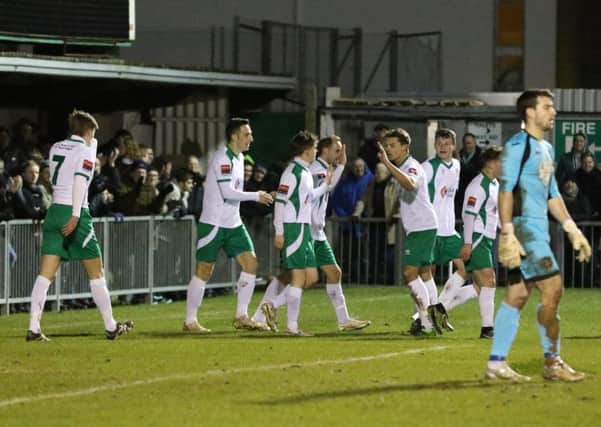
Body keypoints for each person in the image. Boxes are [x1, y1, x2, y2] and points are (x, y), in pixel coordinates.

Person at [485, 89, 591, 382]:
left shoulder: (544, 148)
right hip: (525, 230)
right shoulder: (518, 145)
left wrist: (571, 228)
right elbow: (506, 191)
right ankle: (552, 362)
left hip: (538, 229)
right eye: (547, 106)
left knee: (518, 295)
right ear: (530, 112)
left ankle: (496, 364)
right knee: (553, 289)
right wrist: (507, 231)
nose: (553, 112)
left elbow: (552, 194)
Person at [26, 110, 133, 341]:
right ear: (87, 131)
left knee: (45, 274)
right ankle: (111, 326)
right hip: (74, 212)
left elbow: (84, 151)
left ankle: (33, 327)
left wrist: (89, 140)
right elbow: (80, 182)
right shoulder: (84, 151)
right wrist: (75, 216)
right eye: (93, 132)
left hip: (54, 211)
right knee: (97, 273)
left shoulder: (57, 147)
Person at [255, 135, 370, 333]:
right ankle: (270, 313)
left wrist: (338, 168)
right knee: (297, 277)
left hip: (313, 231)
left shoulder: (309, 171)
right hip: (305, 230)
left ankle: (341, 320)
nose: (340, 154)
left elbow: (316, 192)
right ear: (318, 150)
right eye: (337, 150)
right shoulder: (310, 171)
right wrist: (280, 231)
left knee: (322, 274)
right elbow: (286, 201)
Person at [183, 118, 273, 333]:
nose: (251, 138)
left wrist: (262, 195)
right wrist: (256, 195)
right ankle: (189, 321)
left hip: (233, 223)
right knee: (204, 271)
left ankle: (242, 315)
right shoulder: (222, 158)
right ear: (234, 136)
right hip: (213, 222)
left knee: (251, 264)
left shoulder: (241, 158)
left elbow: (234, 193)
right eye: (246, 134)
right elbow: (227, 192)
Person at [259, 131, 331, 336]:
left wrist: (326, 185)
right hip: (294, 228)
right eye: (315, 148)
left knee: (311, 276)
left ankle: (274, 306)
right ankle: (290, 325)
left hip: (303, 229)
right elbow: (280, 202)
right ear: (307, 151)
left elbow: (309, 196)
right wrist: (279, 231)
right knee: (299, 278)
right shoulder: (292, 173)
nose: (316, 151)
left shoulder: (305, 171)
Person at [377, 128, 438, 336]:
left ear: (405, 147)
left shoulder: (411, 167)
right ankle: (434, 317)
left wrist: (386, 165)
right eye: (386, 146)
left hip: (422, 227)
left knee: (409, 274)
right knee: (424, 273)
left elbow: (410, 185)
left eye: (392, 145)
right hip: (421, 226)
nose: (388, 149)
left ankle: (425, 321)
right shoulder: (403, 166)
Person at [437, 146, 503, 338]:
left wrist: (505, 230)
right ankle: (487, 329)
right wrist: (467, 243)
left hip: (486, 239)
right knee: (489, 281)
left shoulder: (494, 183)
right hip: (477, 239)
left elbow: (492, 212)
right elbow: (468, 215)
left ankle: (438, 309)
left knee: (478, 286)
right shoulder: (478, 185)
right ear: (491, 163)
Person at [419, 128, 468, 334]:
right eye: (439, 143)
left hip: (448, 230)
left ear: (453, 146)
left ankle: (440, 307)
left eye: (447, 143)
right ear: (435, 145)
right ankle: (422, 319)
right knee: (426, 274)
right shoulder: (428, 167)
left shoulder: (456, 165)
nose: (443, 147)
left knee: (466, 268)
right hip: (431, 229)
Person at [456, 132, 483, 218]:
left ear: (474, 143)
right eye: (465, 143)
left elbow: (477, 172)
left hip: (476, 191)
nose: (467, 145)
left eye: (469, 143)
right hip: (462, 192)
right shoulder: (459, 155)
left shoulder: (481, 156)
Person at [574, 152, 601, 218]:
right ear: (581, 163)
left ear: (593, 162)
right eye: (584, 162)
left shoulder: (598, 174)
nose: (587, 165)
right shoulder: (576, 174)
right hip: (582, 209)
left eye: (589, 162)